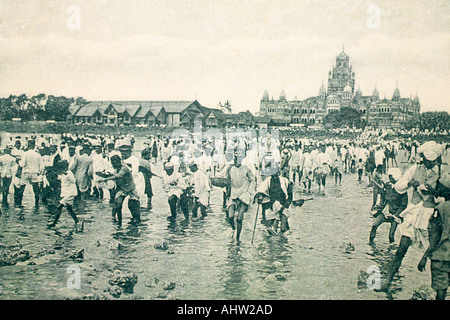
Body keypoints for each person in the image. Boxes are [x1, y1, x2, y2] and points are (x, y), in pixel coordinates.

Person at [381, 141, 444, 291]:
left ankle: (437, 288)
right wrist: (411, 183)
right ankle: (387, 281)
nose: (429, 164)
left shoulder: (442, 173)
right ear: (423, 158)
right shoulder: (415, 168)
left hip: (430, 215)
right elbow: (398, 187)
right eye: (427, 160)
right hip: (414, 213)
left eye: (432, 161)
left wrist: (434, 193)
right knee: (402, 248)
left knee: (435, 253)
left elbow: (444, 197)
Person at [417, 171, 450, 300]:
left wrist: (424, 257)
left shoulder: (440, 209)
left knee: (441, 290)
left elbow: (435, 237)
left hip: (441, 256)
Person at [97, 155, 141, 228]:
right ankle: (118, 222)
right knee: (117, 204)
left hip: (130, 188)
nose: (114, 165)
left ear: (119, 162)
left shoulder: (124, 168)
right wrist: (103, 175)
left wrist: (104, 179)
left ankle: (136, 219)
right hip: (122, 188)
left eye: (115, 163)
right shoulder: (115, 168)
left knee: (133, 205)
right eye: (113, 164)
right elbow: (112, 175)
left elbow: (118, 176)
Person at [369, 168, 408, 243]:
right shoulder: (387, 186)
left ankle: (391, 249)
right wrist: (379, 206)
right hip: (385, 211)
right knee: (374, 225)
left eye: (391, 177)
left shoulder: (402, 188)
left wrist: (396, 215)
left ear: (396, 177)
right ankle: (370, 244)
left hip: (395, 214)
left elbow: (404, 205)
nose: (390, 179)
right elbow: (383, 197)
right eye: (389, 177)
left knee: (391, 235)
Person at [255, 159, 293, 235]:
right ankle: (274, 240)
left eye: (275, 173)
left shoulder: (284, 181)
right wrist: (260, 197)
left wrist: (286, 205)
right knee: (269, 227)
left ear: (278, 173)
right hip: (273, 205)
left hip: (284, 204)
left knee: (283, 228)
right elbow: (262, 190)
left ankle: (283, 236)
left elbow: (290, 194)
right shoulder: (268, 181)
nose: (274, 176)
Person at [225, 150, 255, 243]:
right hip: (234, 194)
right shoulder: (230, 169)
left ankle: (238, 238)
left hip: (244, 195)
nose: (236, 161)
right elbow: (224, 179)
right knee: (230, 217)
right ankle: (233, 228)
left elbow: (253, 179)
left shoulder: (245, 169)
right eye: (234, 159)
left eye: (237, 159)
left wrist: (249, 192)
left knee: (239, 218)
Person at [47, 160, 79, 228]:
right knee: (69, 208)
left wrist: (66, 175)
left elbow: (73, 181)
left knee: (59, 206)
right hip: (66, 193)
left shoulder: (68, 173)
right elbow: (61, 179)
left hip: (70, 193)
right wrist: (54, 175)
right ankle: (77, 221)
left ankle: (54, 222)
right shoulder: (64, 174)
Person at [15, 139, 41, 208]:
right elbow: (41, 165)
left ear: (28, 145)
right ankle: (36, 204)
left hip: (26, 172)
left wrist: (18, 162)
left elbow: (22, 164)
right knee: (36, 188)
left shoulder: (25, 154)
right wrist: (39, 172)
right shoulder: (38, 155)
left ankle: (19, 203)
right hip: (34, 172)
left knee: (22, 187)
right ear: (34, 145)